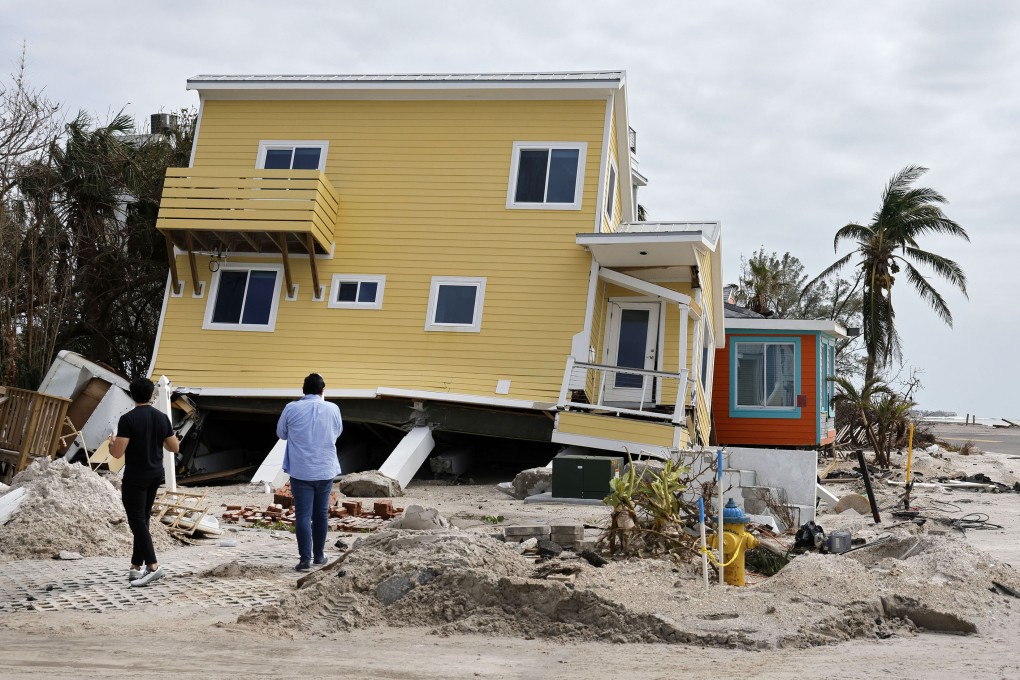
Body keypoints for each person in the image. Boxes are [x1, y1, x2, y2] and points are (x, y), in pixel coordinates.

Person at [109, 378, 179, 587]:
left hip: (135, 476)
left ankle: (153, 566)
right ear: (152, 395)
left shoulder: (127, 419)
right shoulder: (161, 417)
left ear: (132, 395)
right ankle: (135, 566)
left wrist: (112, 444)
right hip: (155, 474)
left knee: (137, 521)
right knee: (143, 518)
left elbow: (118, 453)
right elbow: (174, 447)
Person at [276, 373, 343, 571]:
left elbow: (281, 434)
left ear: (303, 391)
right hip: (325, 469)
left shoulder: (291, 408)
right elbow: (337, 433)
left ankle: (305, 560)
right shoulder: (333, 409)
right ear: (323, 391)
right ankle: (319, 556)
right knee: (321, 515)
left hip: (301, 471)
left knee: (303, 515)